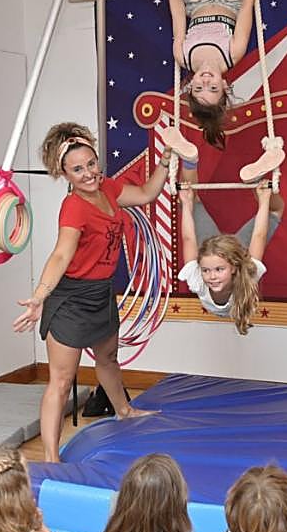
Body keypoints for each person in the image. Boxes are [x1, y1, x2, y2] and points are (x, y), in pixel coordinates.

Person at [12, 123, 170, 461]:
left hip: (100, 292)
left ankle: (124, 410)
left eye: (91, 164)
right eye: (78, 169)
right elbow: (61, 255)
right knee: (62, 379)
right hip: (70, 298)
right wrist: (40, 296)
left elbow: (146, 194)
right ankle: (51, 457)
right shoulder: (74, 207)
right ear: (65, 174)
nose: (88, 174)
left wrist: (167, 159)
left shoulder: (109, 188)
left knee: (108, 359)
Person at [166, 0, 262, 151]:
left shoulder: (183, 57)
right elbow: (247, 6)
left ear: (190, 86)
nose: (206, 81)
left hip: (198, 3)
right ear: (224, 86)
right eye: (213, 89)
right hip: (230, 0)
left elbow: (178, 13)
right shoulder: (232, 54)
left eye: (199, 88)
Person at [177, 183, 279, 334]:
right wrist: (263, 201)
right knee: (275, 211)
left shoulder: (197, 281)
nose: (212, 276)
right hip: (235, 252)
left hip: (220, 254)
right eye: (206, 271)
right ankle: (259, 182)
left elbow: (188, 239)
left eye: (218, 270)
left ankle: (189, 163)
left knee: (191, 200)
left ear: (232, 268)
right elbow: (259, 237)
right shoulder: (247, 272)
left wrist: (186, 203)